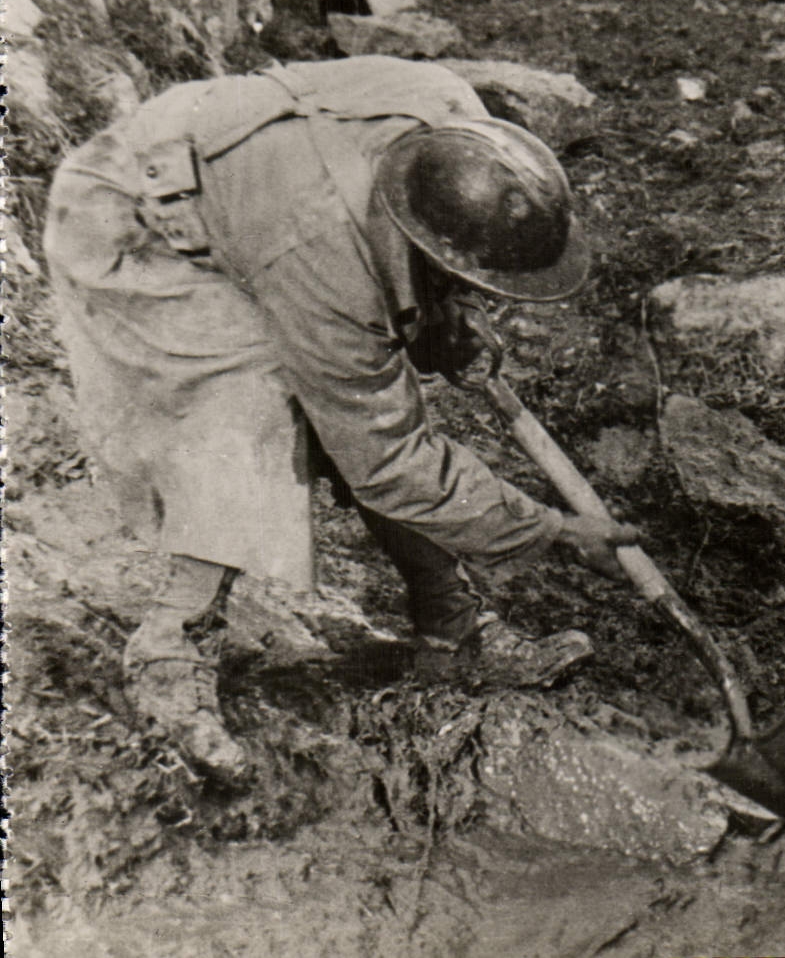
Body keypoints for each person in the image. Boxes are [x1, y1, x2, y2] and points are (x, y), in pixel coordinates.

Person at [44, 55, 640, 781]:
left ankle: (452, 632)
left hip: (247, 179)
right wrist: (554, 531)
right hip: (131, 216)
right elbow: (386, 462)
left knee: (366, 398)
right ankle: (170, 652)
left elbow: (410, 252)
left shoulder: (455, 122)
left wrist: (451, 309)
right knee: (263, 406)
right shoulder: (323, 257)